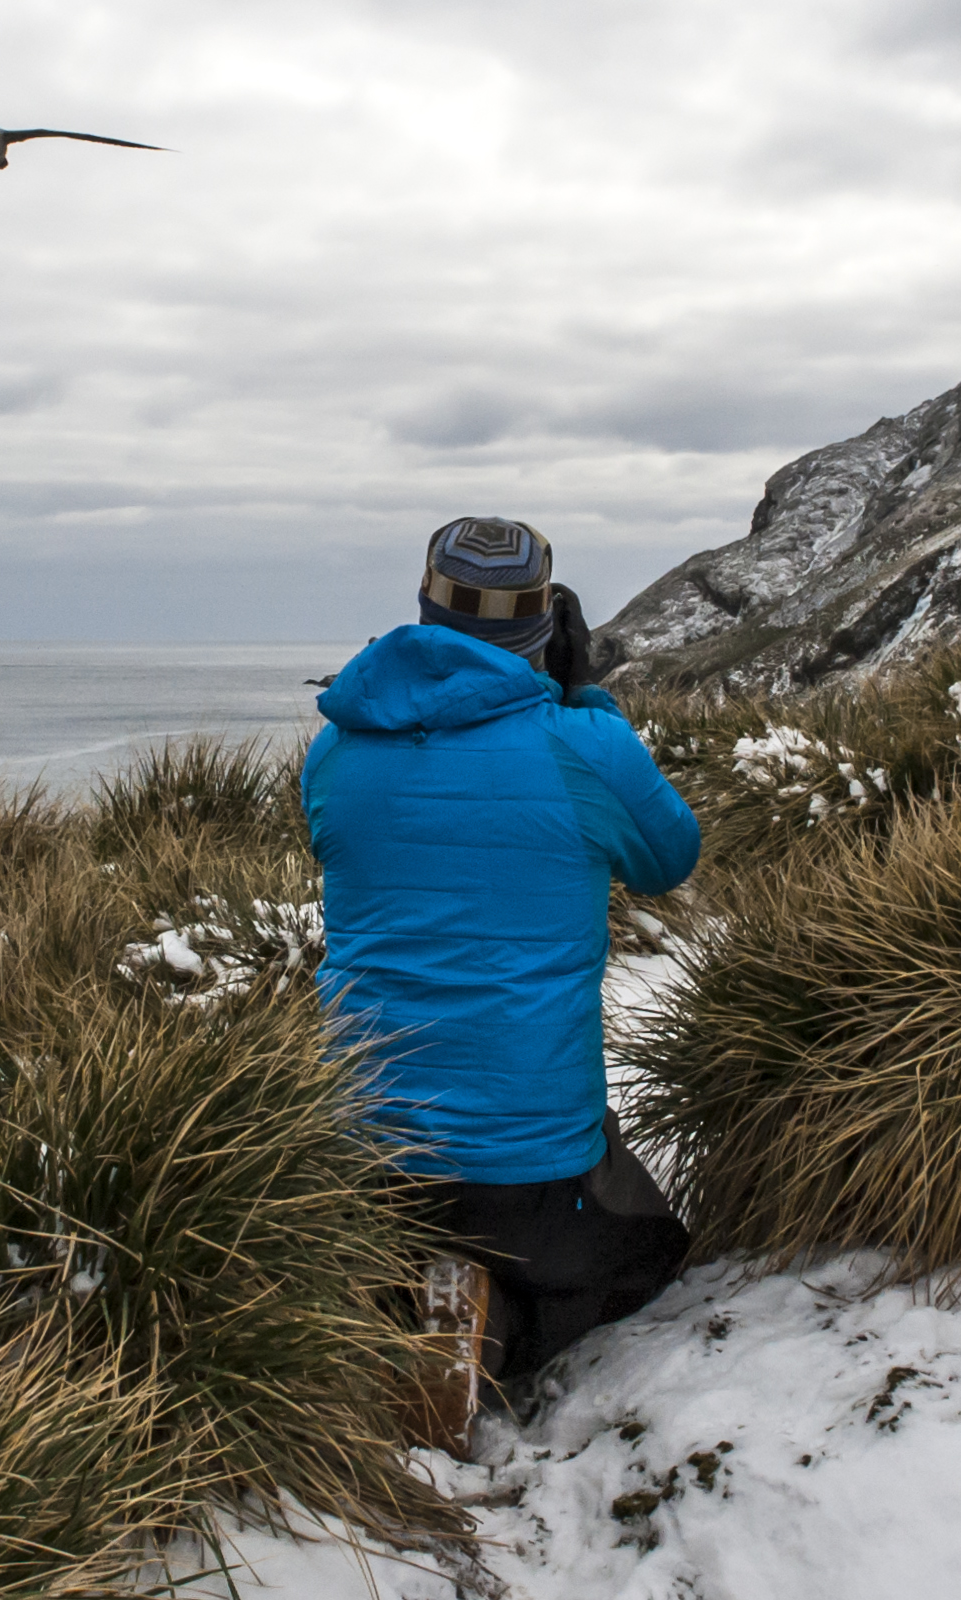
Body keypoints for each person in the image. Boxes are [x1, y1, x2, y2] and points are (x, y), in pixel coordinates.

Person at [302, 516, 702, 1436]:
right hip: (526, 1167)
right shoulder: (582, 748)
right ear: (544, 631)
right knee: (646, 1256)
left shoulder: (336, 748)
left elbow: (344, 836)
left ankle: (399, 1294)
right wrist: (588, 703)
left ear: (423, 611)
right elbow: (667, 856)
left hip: (362, 1147)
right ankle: (490, 1324)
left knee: (413, 1214)